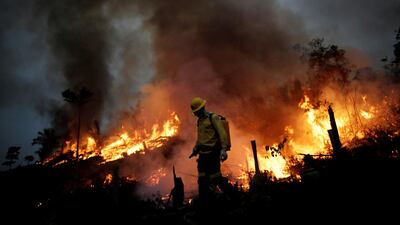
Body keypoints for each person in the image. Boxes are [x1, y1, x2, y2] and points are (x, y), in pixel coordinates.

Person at [189, 97, 234, 202]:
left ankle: (234, 196)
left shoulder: (213, 118)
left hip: (213, 154)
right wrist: (196, 147)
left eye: (196, 112)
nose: (195, 114)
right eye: (194, 112)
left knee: (216, 178)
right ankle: (205, 204)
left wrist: (223, 149)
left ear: (202, 108)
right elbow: (201, 137)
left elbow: (222, 134)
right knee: (202, 180)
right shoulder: (199, 121)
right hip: (203, 156)